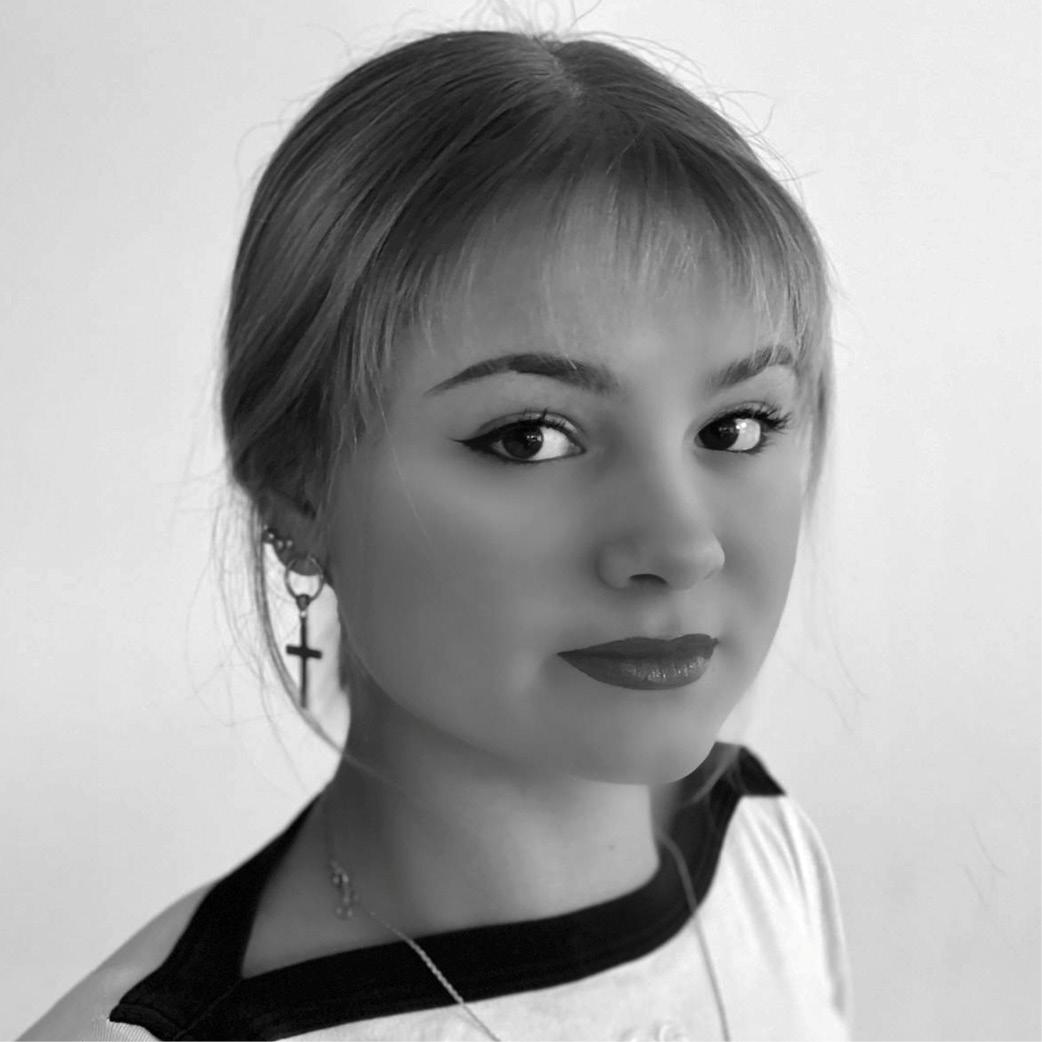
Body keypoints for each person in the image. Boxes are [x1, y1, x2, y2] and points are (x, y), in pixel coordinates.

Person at [20, 26, 855, 1042]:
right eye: (530, 437)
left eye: (737, 427)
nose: (682, 546)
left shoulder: (763, 846)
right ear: (298, 490)